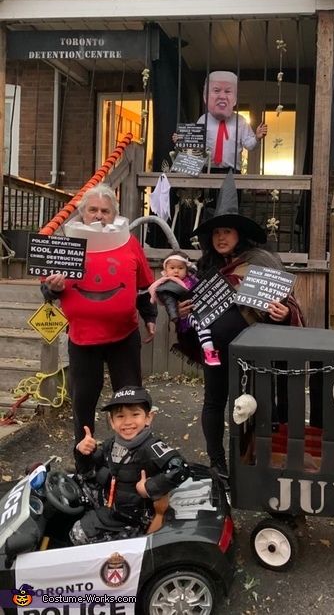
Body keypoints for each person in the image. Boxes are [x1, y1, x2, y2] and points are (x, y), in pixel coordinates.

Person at [176, 171, 305, 477]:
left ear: (239, 235)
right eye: (217, 232)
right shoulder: (206, 268)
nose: (221, 237)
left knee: (253, 406)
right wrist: (183, 314)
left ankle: (250, 463)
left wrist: (283, 315)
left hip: (254, 353)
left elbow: (289, 306)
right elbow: (195, 316)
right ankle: (217, 463)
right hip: (217, 353)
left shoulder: (261, 261)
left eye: (228, 232)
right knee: (214, 402)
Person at [42, 184, 158, 474]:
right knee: (84, 402)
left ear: (114, 215)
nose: (98, 215)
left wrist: (150, 316)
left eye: (105, 211)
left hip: (123, 336)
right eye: (92, 210)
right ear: (82, 214)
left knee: (131, 400)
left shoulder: (128, 242)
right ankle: (85, 464)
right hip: (83, 339)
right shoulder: (67, 244)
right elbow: (48, 290)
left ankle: (134, 461)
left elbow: (144, 285)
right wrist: (52, 289)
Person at [69, 386, 190, 545]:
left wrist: (149, 487)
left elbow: (181, 468)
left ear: (148, 417)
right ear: (112, 422)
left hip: (132, 517)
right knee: (75, 489)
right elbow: (88, 470)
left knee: (77, 533)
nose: (127, 422)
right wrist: (82, 451)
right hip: (111, 500)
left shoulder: (151, 447)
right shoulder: (111, 444)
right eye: (120, 416)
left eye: (135, 414)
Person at [174, 71, 267, 173]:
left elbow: (249, 145)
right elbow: (196, 145)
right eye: (217, 90)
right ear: (206, 97)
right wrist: (182, 140)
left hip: (232, 172)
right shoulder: (203, 120)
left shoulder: (240, 121)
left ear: (235, 99)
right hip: (208, 170)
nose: (222, 96)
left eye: (228, 92)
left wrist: (257, 137)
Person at [148, 249, 221, 366]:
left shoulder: (192, 280)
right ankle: (210, 355)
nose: (176, 271)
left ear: (186, 269)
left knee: (205, 330)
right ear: (165, 270)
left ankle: (210, 355)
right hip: (186, 318)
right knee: (203, 328)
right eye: (172, 268)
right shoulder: (167, 285)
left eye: (180, 268)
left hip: (201, 312)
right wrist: (174, 315)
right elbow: (170, 302)